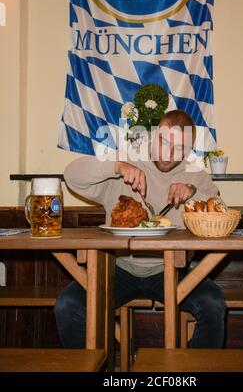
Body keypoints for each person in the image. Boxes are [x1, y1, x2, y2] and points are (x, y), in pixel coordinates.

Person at [54, 110, 226, 348]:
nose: (168, 154)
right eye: (164, 142)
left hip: (175, 271)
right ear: (154, 136)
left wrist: (193, 192)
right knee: (68, 305)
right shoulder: (126, 165)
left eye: (179, 147)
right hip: (118, 270)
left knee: (213, 304)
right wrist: (117, 167)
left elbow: (220, 211)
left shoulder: (195, 176)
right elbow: (71, 176)